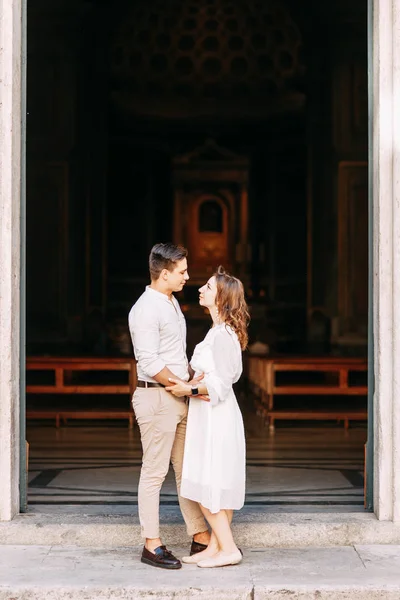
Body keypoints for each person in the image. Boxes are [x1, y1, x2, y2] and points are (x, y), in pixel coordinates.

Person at [128, 243, 211, 570]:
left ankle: (200, 536)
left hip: (177, 395)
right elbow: (147, 360)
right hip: (156, 397)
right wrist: (182, 386)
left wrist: (193, 377)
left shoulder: (171, 301)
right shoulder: (145, 309)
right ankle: (152, 544)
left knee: (186, 470)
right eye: (182, 272)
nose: (188, 277)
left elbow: (173, 353)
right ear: (164, 274)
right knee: (154, 472)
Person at [166, 266, 249, 568]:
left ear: (222, 298)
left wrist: (187, 389)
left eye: (209, 287)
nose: (200, 289)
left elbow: (222, 385)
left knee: (207, 483)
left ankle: (229, 550)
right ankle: (215, 547)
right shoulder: (216, 332)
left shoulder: (224, 335)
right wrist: (194, 382)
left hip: (217, 418)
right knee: (215, 483)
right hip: (208, 416)